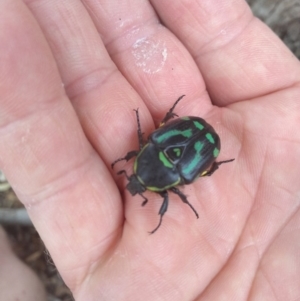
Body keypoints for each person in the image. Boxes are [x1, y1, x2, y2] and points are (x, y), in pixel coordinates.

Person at [0, 0, 299, 300]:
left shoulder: (165, 170)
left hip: (197, 141)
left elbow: (149, 151)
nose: (134, 182)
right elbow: (146, 143)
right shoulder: (151, 153)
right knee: (162, 149)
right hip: (194, 139)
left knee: (173, 159)